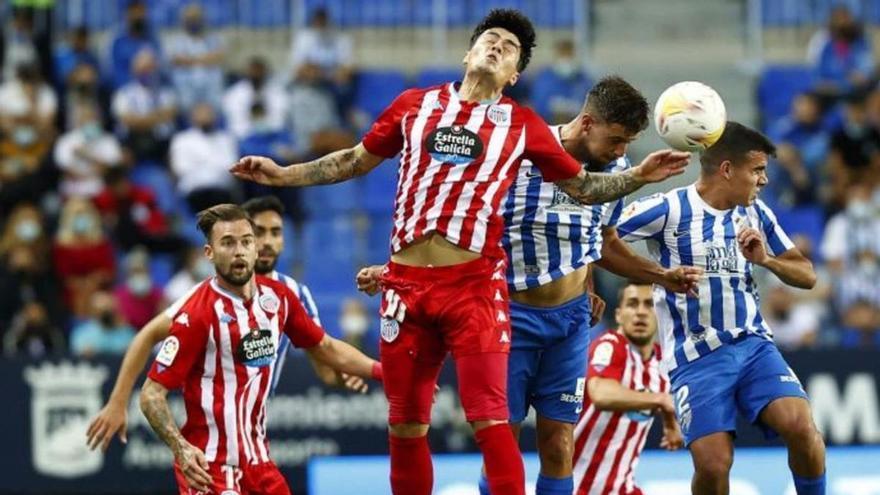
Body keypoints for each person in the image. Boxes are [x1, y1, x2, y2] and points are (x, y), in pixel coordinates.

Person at [231, 9, 690, 494]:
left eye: (508, 48)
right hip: (408, 290)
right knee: (405, 427)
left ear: (514, 75)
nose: (496, 46)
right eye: (489, 38)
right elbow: (353, 159)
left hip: (475, 288)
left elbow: (582, 190)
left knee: (494, 426)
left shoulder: (520, 124)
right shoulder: (414, 105)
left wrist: (638, 176)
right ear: (467, 53)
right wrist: (284, 174)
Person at [355, 75, 700, 495]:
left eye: (627, 143)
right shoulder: (517, 155)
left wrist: (659, 276)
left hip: (570, 322)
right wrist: (396, 269)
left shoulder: (618, 172)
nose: (621, 151)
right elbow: (456, 224)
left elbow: (601, 241)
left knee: (558, 443)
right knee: (504, 440)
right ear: (587, 123)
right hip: (509, 315)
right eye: (616, 140)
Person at [615, 122, 826, 495]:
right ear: (727, 169)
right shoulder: (668, 209)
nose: (763, 180)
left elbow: (807, 274)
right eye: (757, 170)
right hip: (695, 358)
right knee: (714, 466)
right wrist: (660, 275)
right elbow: (599, 235)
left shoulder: (757, 214)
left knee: (801, 428)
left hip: (753, 345)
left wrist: (767, 261)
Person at [86, 196, 365, 454]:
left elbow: (326, 369)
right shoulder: (209, 296)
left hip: (253, 429)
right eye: (258, 232)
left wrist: (345, 376)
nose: (267, 241)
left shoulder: (293, 295)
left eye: (275, 233)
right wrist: (118, 401)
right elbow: (147, 334)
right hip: (208, 431)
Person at [136, 204, 381, 494]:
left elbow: (327, 347)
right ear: (209, 253)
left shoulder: (279, 298)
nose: (239, 251)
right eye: (227, 243)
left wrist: (387, 373)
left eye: (246, 242)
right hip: (210, 466)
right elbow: (151, 394)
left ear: (255, 249)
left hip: (259, 465)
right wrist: (181, 449)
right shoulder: (197, 314)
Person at [573, 282, 682, 494]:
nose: (641, 312)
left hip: (622, 488)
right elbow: (601, 394)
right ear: (619, 315)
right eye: (632, 304)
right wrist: (661, 402)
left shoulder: (664, 362)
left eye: (649, 304)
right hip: (577, 487)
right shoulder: (609, 345)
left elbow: (668, 399)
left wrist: (670, 421)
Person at [169, 102, 239, 213]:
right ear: (192, 117)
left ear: (215, 116)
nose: (205, 117)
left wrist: (200, 162)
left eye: (208, 113)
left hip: (221, 191)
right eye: (201, 113)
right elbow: (181, 168)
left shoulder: (226, 139)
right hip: (194, 191)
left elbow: (231, 166)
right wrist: (213, 163)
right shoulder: (182, 139)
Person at [167, 3, 226, 112]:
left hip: (210, 89)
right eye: (190, 19)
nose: (193, 21)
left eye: (196, 18)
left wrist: (190, 60)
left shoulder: (213, 39)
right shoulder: (176, 41)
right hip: (187, 89)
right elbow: (177, 59)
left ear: (203, 19)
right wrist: (205, 59)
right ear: (183, 21)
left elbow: (219, 56)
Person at [71, 290, 136, 358]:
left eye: (108, 309)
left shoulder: (127, 332)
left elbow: (134, 353)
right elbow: (76, 356)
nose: (106, 314)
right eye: (101, 310)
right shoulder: (81, 333)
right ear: (92, 311)